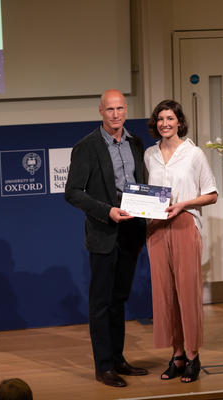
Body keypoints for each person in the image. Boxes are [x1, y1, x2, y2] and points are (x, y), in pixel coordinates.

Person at [65, 89, 148, 387]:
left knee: (119, 299)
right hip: (104, 231)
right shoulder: (87, 146)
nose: (115, 114)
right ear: (101, 111)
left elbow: (142, 183)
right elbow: (72, 193)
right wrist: (107, 211)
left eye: (120, 108)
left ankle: (118, 359)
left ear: (126, 109)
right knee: (101, 302)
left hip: (132, 230)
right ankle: (103, 367)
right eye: (110, 109)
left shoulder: (135, 142)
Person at [145, 99, 217, 383]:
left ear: (179, 122)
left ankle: (193, 354)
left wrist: (182, 204)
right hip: (156, 228)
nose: (165, 123)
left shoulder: (194, 153)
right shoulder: (149, 154)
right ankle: (176, 355)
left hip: (185, 223)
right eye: (160, 119)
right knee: (165, 296)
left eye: (170, 118)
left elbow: (211, 194)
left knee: (187, 293)